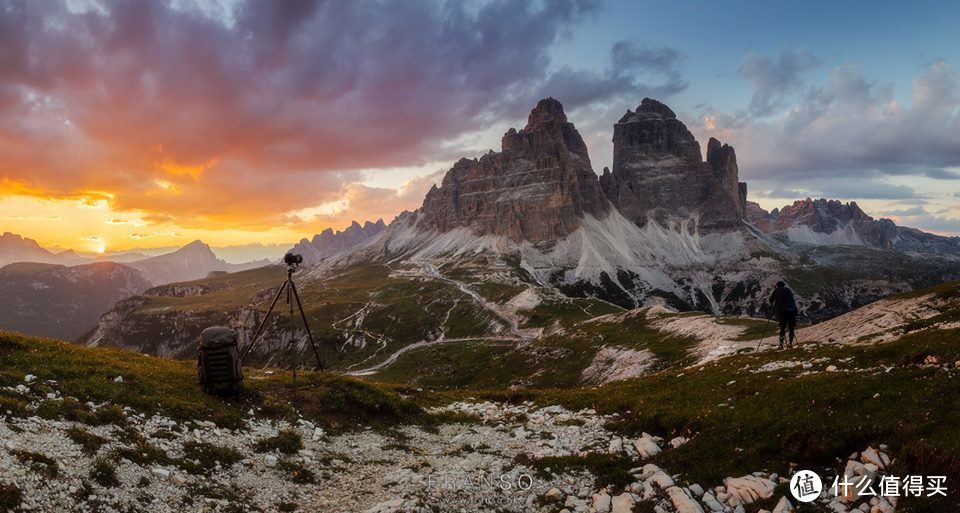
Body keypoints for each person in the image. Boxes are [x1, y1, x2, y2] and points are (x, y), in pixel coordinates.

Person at [769, 281, 798, 349]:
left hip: (783, 311)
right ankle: (790, 343)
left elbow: (771, 300)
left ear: (777, 285)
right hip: (792, 310)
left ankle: (781, 344)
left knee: (782, 328)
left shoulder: (777, 290)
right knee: (791, 328)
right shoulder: (788, 290)